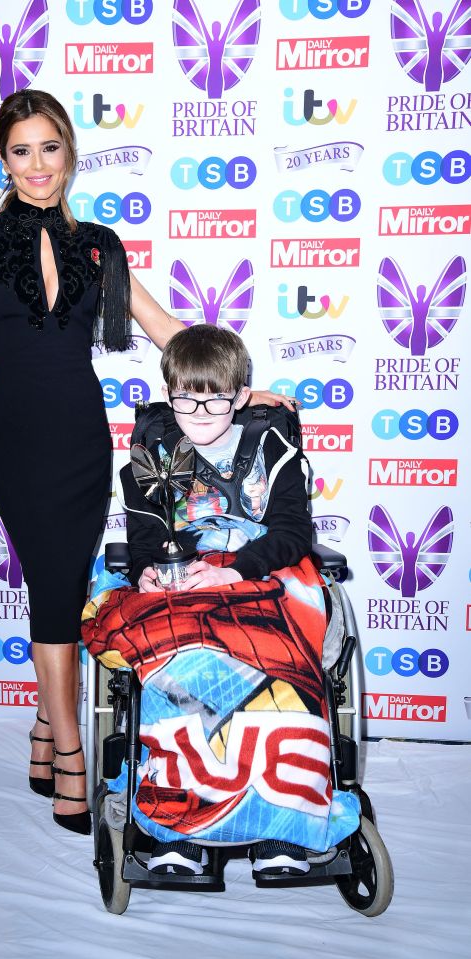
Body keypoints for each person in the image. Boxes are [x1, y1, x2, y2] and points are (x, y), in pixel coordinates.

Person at [0, 89, 294, 838]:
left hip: (79, 436)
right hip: (15, 440)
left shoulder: (97, 244)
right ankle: (70, 750)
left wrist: (233, 384)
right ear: (2, 159)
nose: (37, 165)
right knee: (47, 586)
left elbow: (164, 326)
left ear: (68, 153)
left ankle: (45, 733)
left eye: (49, 148)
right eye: (20, 150)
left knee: (66, 586)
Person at [83, 325, 359, 875]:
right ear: (169, 392)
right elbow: (143, 538)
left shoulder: (272, 448)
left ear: (240, 396)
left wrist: (230, 571)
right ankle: (176, 829)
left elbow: (289, 535)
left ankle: (284, 828)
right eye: (186, 397)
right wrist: (153, 573)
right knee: (172, 660)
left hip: (261, 572)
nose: (201, 411)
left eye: (216, 398)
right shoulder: (151, 451)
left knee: (280, 664)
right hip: (184, 573)